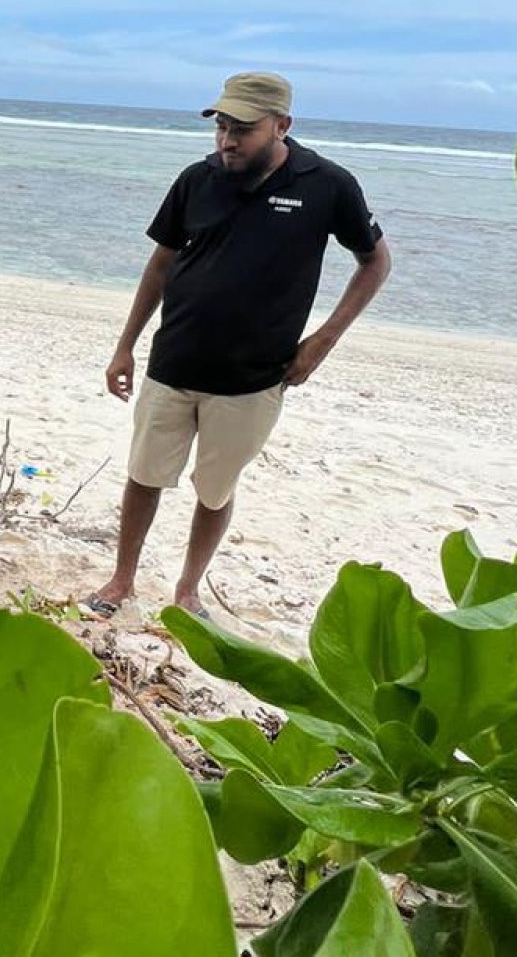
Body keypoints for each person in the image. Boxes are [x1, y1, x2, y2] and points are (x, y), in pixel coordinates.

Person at [85, 72, 392, 620]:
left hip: (254, 378)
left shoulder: (328, 185)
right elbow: (160, 264)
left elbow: (375, 262)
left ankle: (187, 590)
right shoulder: (196, 179)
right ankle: (121, 579)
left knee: (215, 489)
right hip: (174, 362)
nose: (227, 141)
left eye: (242, 130)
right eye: (222, 127)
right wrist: (124, 346)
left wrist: (323, 341)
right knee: (144, 476)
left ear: (281, 126)